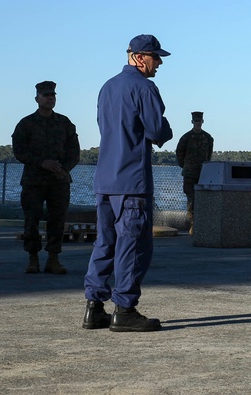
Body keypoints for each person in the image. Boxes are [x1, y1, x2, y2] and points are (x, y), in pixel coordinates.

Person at [83, 35, 174, 332]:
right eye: (155, 57)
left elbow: (105, 126)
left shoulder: (107, 87)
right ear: (138, 57)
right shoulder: (144, 88)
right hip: (131, 181)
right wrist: (165, 129)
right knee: (133, 245)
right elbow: (157, 130)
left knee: (105, 243)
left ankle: (94, 308)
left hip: (105, 179)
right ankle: (124, 309)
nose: (159, 63)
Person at [12, 81, 80, 275]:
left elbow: (74, 152)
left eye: (53, 95)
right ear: (37, 99)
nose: (50, 98)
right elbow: (19, 151)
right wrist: (42, 162)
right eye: (46, 95)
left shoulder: (65, 123)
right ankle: (32, 259)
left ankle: (53, 258)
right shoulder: (26, 124)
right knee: (31, 220)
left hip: (58, 181)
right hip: (34, 181)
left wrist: (64, 169)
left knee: (57, 221)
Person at [176, 111, 214, 234]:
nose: (198, 123)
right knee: (191, 200)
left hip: (203, 174)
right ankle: (193, 225)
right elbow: (179, 154)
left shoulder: (208, 138)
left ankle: (202, 225)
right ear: (192, 122)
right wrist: (186, 166)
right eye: (196, 121)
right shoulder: (185, 138)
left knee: (203, 199)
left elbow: (209, 155)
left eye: (199, 121)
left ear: (202, 122)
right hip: (190, 175)